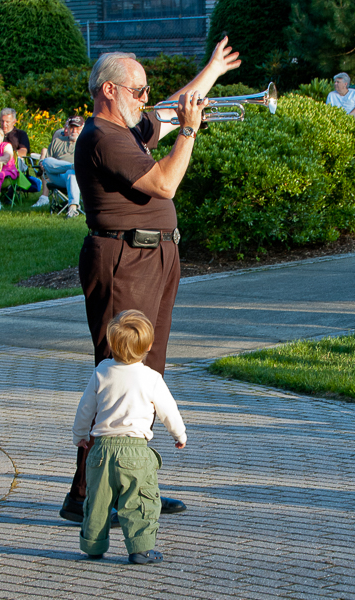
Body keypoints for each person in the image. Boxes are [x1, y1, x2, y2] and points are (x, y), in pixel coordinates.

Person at [59, 37, 241, 523]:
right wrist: (189, 133)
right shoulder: (103, 136)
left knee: (147, 375)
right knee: (118, 376)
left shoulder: (128, 125)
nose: (146, 98)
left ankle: (136, 488)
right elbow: (163, 183)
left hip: (154, 256)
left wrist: (211, 74)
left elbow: (164, 109)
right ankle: (86, 496)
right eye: (138, 90)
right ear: (110, 91)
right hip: (124, 259)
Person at [73, 309, 187, 564]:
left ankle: (93, 546)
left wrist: (80, 435)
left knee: (97, 502)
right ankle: (140, 548)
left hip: (100, 450)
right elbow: (169, 410)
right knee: (139, 500)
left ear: (111, 344)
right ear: (148, 346)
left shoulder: (102, 372)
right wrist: (179, 434)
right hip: (136, 452)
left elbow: (85, 408)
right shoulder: (151, 378)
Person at [31, 115, 84, 217]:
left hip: (78, 178)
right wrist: (43, 164)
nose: (74, 131)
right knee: (46, 161)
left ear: (82, 129)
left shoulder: (86, 143)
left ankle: (73, 208)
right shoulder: (57, 141)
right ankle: (73, 166)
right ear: (67, 128)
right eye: (72, 128)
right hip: (57, 176)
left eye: (77, 128)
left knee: (71, 173)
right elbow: (45, 164)